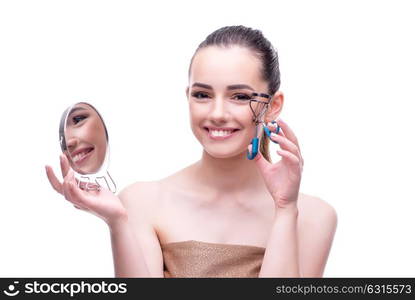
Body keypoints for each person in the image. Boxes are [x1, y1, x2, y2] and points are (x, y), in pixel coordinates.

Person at [45, 25, 337, 278]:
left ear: (273, 105)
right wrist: (117, 223)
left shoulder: (313, 217)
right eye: (202, 95)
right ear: (188, 97)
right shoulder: (141, 203)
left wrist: (285, 210)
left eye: (239, 96)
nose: (217, 113)